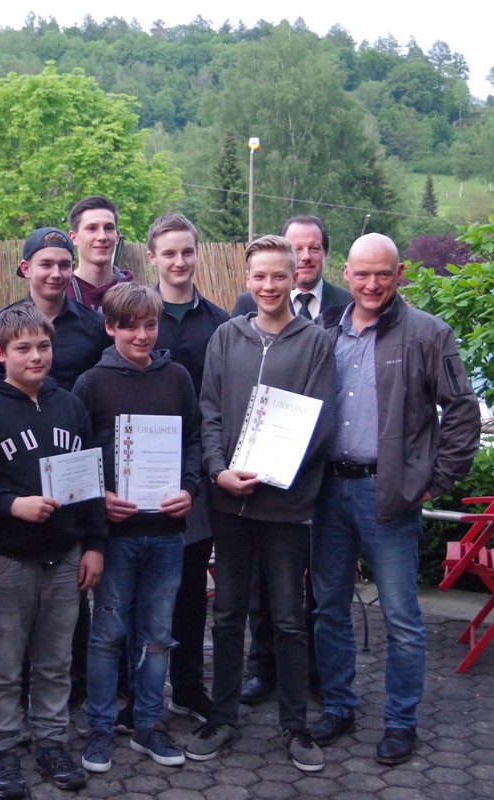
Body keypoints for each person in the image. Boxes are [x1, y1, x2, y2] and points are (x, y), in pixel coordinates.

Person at [309, 233, 479, 766]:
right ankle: (339, 706)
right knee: (329, 609)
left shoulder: (428, 333)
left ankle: (401, 722)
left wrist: (435, 480)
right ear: (346, 273)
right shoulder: (323, 331)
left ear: (399, 274)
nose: (372, 284)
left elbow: (463, 411)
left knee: (402, 617)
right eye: (362, 274)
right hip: (327, 491)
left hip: (389, 494)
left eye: (383, 273)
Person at [187, 235, 337, 773]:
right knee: (228, 614)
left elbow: (320, 422)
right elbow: (209, 413)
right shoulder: (227, 337)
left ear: (295, 278)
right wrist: (219, 471)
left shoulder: (315, 343)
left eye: (279, 276)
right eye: (260, 276)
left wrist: (274, 474)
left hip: (286, 507)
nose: (269, 286)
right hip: (229, 503)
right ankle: (222, 717)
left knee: (290, 619)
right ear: (246, 280)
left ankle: (295, 726)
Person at [0, 302, 105, 798]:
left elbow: (90, 479)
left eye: (43, 346)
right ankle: (2, 748)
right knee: (4, 662)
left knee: (55, 660)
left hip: (65, 555)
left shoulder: (70, 405)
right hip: (6, 558)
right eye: (23, 349)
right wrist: (11, 504)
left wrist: (94, 544)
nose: (36, 356)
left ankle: (51, 741)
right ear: (1, 353)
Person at [73, 283, 201, 774]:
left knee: (157, 635)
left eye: (150, 325)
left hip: (167, 531)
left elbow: (194, 439)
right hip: (116, 537)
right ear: (110, 327)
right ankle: (101, 728)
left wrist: (190, 486)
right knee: (107, 634)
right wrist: (98, 497)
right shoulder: (91, 383)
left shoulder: (177, 378)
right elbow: (76, 452)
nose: (143, 335)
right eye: (130, 327)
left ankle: (148, 724)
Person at [230, 214, 348, 706]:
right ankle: (263, 669)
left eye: (312, 248)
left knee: (316, 585)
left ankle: (313, 674)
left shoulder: (344, 303)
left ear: (323, 253)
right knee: (264, 587)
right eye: (296, 248)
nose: (304, 257)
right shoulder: (244, 312)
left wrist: (291, 463)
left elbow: (326, 404)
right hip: (252, 478)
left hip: (312, 473)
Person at [146, 214, 228, 725]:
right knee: (138, 584)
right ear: (151, 257)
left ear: (198, 254)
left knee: (193, 585)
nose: (179, 261)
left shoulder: (220, 323)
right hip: (137, 473)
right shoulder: (136, 316)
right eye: (169, 253)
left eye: (187, 252)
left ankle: (189, 684)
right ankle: (137, 689)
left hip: (194, 473)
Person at [65, 196, 134, 311]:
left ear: (117, 236)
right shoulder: (60, 294)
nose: (102, 237)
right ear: (73, 238)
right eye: (92, 228)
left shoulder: (135, 296)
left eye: (108, 228)